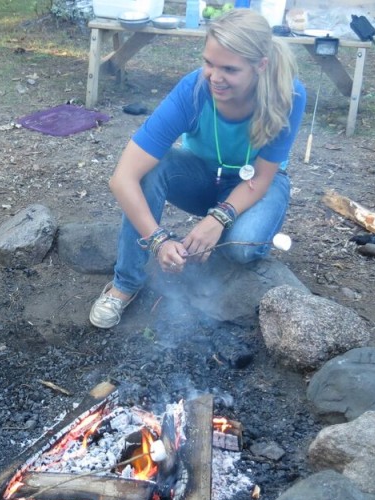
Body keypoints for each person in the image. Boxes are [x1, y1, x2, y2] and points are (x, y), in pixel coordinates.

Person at [89, 9, 306, 329]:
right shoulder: (193, 90)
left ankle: (216, 241)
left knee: (244, 247)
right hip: (201, 176)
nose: (214, 77)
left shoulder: (289, 93)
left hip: (256, 185)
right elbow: (122, 178)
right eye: (209, 63)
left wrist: (218, 218)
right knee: (151, 169)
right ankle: (125, 283)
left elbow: (261, 178)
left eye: (229, 69)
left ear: (260, 66)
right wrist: (158, 240)